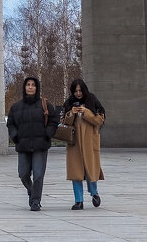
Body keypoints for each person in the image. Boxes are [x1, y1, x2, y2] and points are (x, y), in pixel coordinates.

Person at [6, 76, 58, 212]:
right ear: (24, 87)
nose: (30, 87)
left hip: (40, 145)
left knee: (38, 175)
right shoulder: (16, 107)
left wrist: (48, 133)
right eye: (28, 85)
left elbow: (53, 120)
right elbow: (10, 123)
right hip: (23, 145)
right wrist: (15, 136)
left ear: (37, 88)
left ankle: (35, 201)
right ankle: (32, 191)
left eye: (33, 85)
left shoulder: (44, 105)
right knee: (23, 174)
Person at [60, 79, 105, 210]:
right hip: (74, 142)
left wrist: (86, 112)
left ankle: (94, 193)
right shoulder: (69, 102)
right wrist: (71, 113)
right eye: (75, 91)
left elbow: (99, 120)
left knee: (90, 169)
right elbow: (64, 122)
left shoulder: (92, 100)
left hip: (89, 141)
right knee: (76, 172)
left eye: (80, 90)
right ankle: (78, 200)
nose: (78, 93)